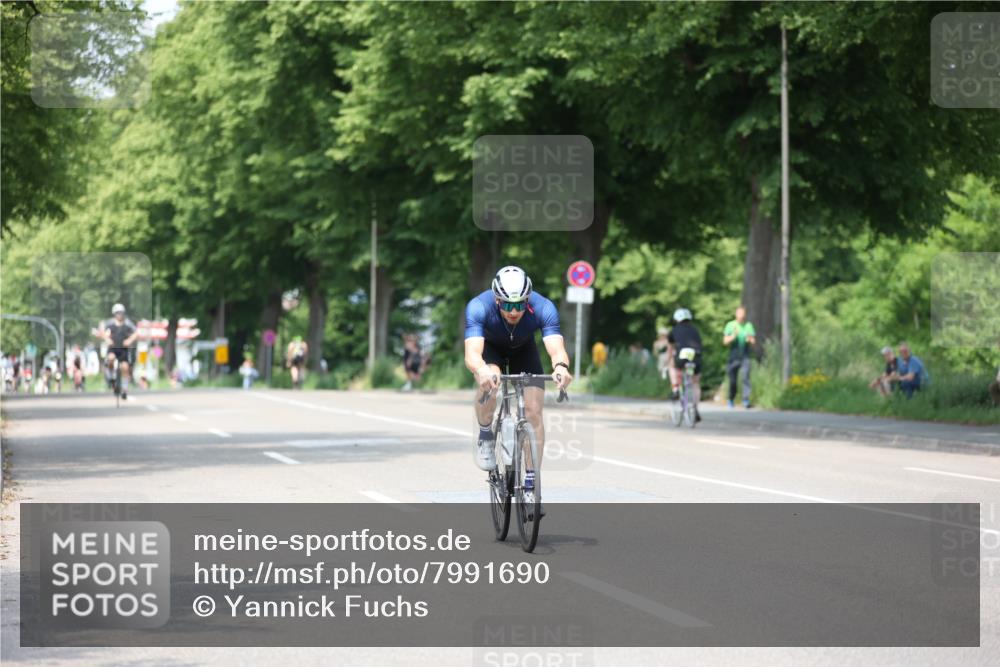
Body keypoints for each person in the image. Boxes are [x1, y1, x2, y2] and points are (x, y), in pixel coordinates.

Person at [465, 265, 572, 520]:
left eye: (520, 305)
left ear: (528, 299)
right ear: (496, 299)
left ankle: (530, 484)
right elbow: (472, 353)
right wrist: (481, 370)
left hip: (525, 351)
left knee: (534, 411)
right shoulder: (479, 307)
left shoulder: (544, 307)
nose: (514, 312)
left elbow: (556, 348)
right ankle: (485, 433)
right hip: (491, 351)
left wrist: (561, 367)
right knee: (490, 382)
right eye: (508, 305)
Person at [667, 308, 703, 422]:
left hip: (682, 357)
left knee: (672, 366)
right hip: (695, 357)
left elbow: (670, 348)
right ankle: (695, 408)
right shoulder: (695, 330)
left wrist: (668, 360)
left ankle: (676, 388)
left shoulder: (674, 330)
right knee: (695, 382)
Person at [99, 303, 138, 400]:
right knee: (111, 359)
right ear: (114, 314)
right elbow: (102, 329)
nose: (119, 315)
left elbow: (136, 333)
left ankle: (124, 389)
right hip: (113, 347)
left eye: (121, 313)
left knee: (125, 368)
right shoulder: (110, 323)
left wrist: (129, 340)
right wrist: (107, 339)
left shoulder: (127, 323)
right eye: (117, 313)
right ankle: (112, 377)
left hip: (123, 349)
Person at [723, 305, 756, 408]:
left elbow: (753, 341)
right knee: (732, 379)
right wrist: (733, 336)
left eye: (743, 314)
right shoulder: (731, 325)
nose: (741, 316)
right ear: (736, 314)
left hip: (745, 355)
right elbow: (725, 341)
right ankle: (731, 399)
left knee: (746, 376)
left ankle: (745, 399)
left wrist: (749, 340)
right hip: (734, 355)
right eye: (739, 313)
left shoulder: (748, 326)